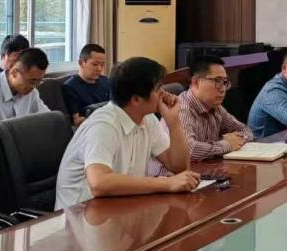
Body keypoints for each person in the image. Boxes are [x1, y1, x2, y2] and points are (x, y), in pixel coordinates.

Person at [54, 56, 197, 208]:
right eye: (158, 89)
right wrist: (166, 183)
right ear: (136, 100)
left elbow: (179, 167)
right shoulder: (103, 125)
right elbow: (99, 183)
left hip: (119, 204)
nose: (163, 93)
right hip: (80, 213)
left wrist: (173, 122)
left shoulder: (147, 118)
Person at [179, 56, 253, 160]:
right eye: (217, 81)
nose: (223, 89)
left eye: (225, 82)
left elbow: (245, 130)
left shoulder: (216, 108)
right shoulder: (182, 108)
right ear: (196, 82)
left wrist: (232, 140)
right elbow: (189, 150)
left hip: (205, 167)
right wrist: (226, 144)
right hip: (175, 171)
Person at [61, 43, 111, 125]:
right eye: (95, 64)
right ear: (81, 63)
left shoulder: (106, 81)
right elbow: (76, 121)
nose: (99, 69)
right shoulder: (70, 87)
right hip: (90, 127)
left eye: (102, 65)